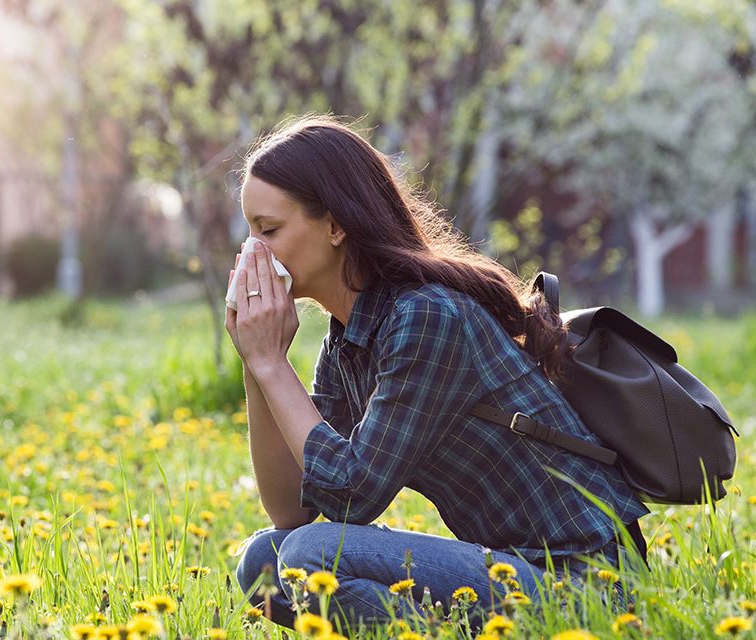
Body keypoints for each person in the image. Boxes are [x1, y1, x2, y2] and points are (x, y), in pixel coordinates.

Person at [225, 115, 649, 632]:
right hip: (513, 569)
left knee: (311, 556)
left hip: (588, 584)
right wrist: (256, 363)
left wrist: (272, 364)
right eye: (249, 232)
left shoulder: (425, 316)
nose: (252, 252)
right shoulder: (348, 339)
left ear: (336, 226)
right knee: (263, 562)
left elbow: (352, 496)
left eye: (268, 230)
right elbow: (292, 510)